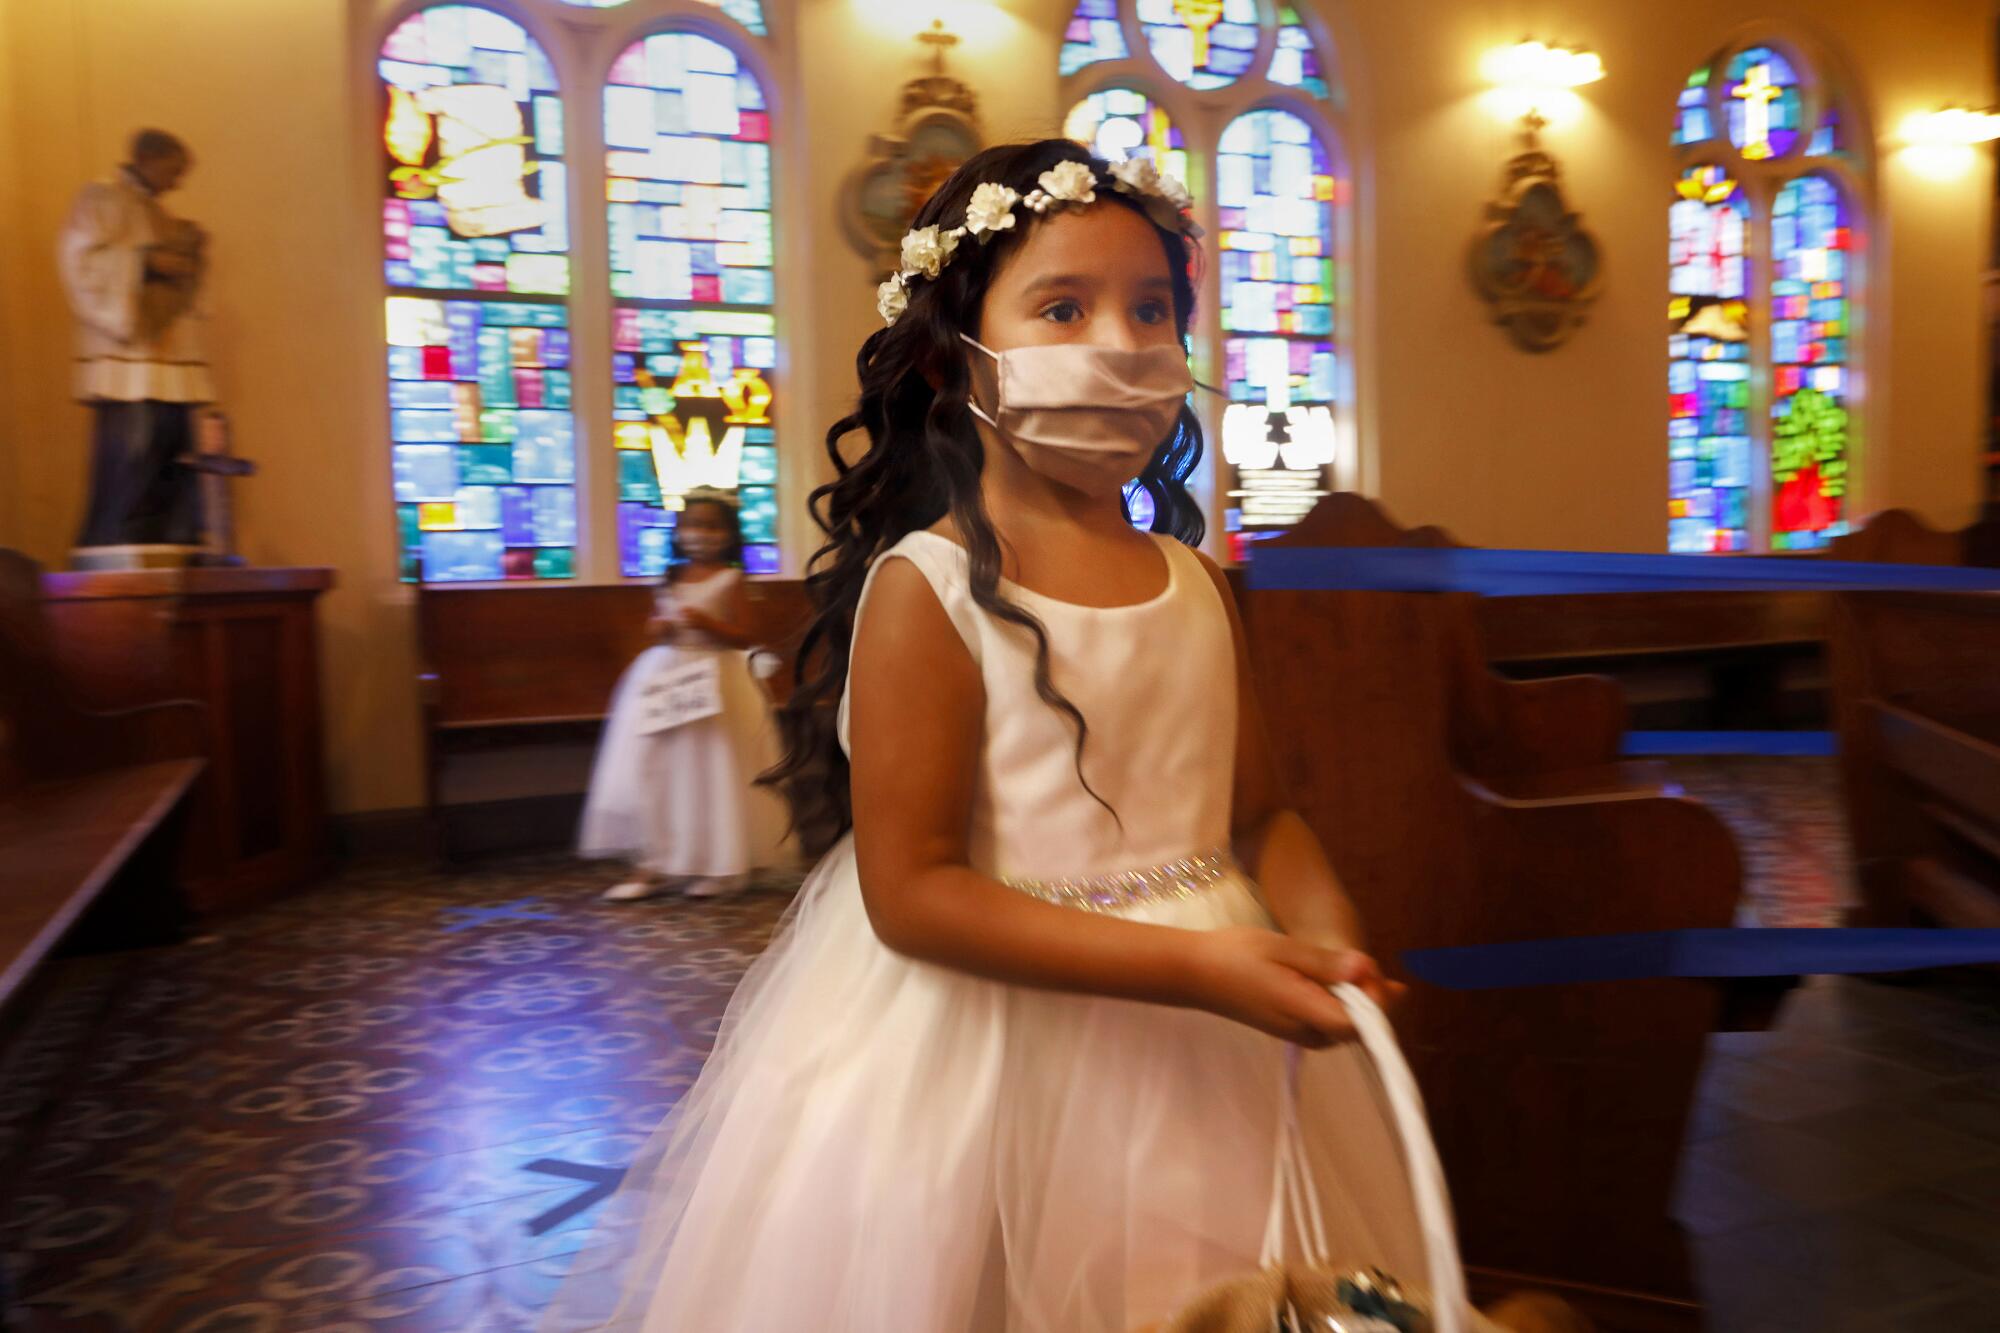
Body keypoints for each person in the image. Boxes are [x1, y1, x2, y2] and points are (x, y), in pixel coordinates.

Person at [539, 141, 1442, 1333]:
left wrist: (1323, 935)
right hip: (998, 1037)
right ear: (954, 353)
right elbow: (910, 890)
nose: (1117, 344)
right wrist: (1197, 967)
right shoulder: (929, 589)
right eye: (1062, 307)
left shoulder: (1197, 581)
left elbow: (1258, 814)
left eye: (1151, 308)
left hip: (1219, 1031)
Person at [577, 491, 790, 901]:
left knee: (711, 769)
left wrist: (707, 622)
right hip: (667, 676)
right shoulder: (671, 577)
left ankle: (720, 863)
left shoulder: (732, 579)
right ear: (678, 532)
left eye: (712, 526)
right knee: (657, 768)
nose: (701, 535)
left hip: (716, 678)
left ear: (729, 535)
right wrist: (657, 626)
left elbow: (746, 635)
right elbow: (655, 620)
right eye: (693, 526)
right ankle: (653, 862)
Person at [56, 129, 214, 552]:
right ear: (146, 157)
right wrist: (145, 262)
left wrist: (187, 258)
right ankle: (122, 537)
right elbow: (79, 261)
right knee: (134, 452)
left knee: (172, 448)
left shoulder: (159, 213)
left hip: (166, 357)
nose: (178, 183)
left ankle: (172, 535)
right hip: (128, 359)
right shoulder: (100, 199)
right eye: (174, 171)